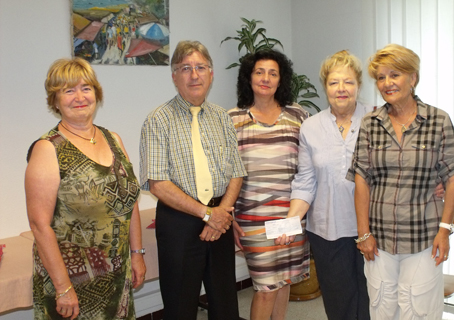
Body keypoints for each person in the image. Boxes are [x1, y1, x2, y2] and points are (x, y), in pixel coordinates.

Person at [346, 43, 454, 319]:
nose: (387, 83)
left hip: (424, 236)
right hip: (379, 238)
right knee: (382, 308)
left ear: (413, 78)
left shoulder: (438, 121)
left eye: (395, 75)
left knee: (419, 310)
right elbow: (361, 178)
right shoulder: (370, 123)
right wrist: (363, 233)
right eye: (380, 77)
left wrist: (445, 230)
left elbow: (453, 176)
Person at [25, 57, 146, 320]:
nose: (79, 96)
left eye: (86, 88)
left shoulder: (113, 139)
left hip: (116, 273)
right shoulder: (48, 149)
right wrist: (62, 286)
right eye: (68, 90)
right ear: (55, 100)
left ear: (96, 94)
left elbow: (130, 202)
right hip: (72, 279)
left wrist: (137, 254)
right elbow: (39, 225)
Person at [139, 40, 247, 320]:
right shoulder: (158, 120)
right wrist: (206, 214)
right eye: (185, 68)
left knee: (225, 304)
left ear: (211, 74)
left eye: (201, 67)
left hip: (220, 218)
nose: (194, 75)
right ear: (174, 76)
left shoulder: (222, 117)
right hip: (179, 222)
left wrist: (220, 213)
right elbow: (158, 183)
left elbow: (236, 171)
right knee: (180, 306)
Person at [275, 50, 370, 320]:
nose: (341, 89)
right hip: (327, 232)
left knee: (373, 303)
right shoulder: (310, 127)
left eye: (348, 82)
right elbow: (305, 181)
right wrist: (292, 220)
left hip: (371, 230)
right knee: (339, 305)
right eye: (334, 82)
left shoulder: (376, 120)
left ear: (359, 86)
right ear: (325, 86)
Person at [228, 49, 310, 320]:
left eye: (273, 73)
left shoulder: (298, 116)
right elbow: (225, 172)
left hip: (291, 214)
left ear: (281, 79)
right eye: (259, 72)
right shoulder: (233, 120)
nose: (266, 78)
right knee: (265, 286)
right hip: (252, 219)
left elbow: (311, 164)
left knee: (284, 279)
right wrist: (229, 216)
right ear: (248, 77)